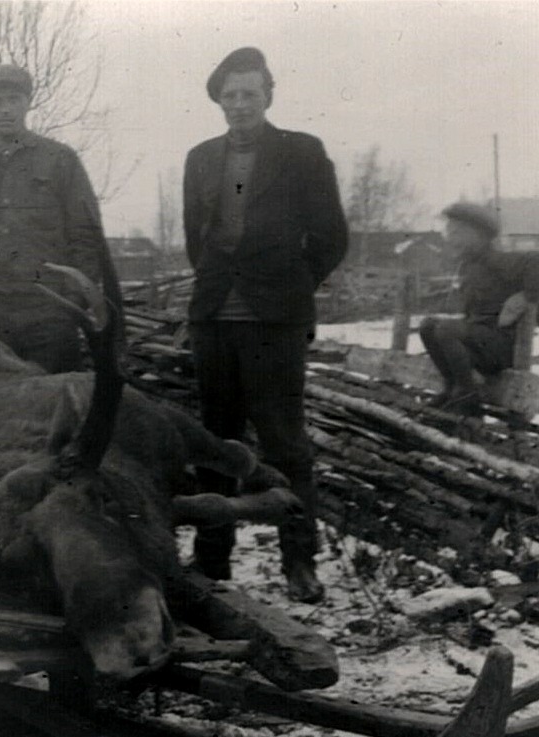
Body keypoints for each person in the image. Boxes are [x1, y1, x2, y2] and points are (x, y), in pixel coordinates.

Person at [182, 47, 349, 604]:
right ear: (219, 102)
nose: (238, 105)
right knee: (216, 444)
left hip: (273, 323)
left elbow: (331, 236)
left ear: (268, 95)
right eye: (229, 96)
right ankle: (211, 560)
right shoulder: (201, 158)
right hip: (214, 320)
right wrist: (216, 286)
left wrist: (290, 286)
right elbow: (195, 239)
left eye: (249, 93)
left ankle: (299, 563)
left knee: (285, 445)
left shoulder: (302, 152)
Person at [0, 64, 107, 373]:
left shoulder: (60, 160)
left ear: (28, 103)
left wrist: (73, 303)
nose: (5, 110)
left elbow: (85, 236)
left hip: (48, 306)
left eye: (14, 99)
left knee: (56, 404)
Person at [419, 202, 539, 416]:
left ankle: (467, 395)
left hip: (501, 348)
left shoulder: (496, 259)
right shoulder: (469, 265)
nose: (450, 238)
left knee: (446, 329)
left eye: (457, 232)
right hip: (479, 343)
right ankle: (452, 386)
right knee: (427, 326)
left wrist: (527, 296)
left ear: (477, 235)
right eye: (449, 232)